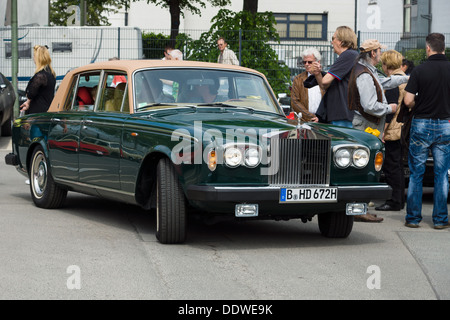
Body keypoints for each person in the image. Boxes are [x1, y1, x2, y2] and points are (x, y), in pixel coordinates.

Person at [403, 33, 450, 229]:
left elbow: (407, 101)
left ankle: (413, 218)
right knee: (442, 173)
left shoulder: (419, 70)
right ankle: (440, 220)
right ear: (444, 49)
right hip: (445, 124)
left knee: (416, 173)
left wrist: (417, 103)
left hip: (421, 123)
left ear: (427, 48)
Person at [375, 50, 408, 212]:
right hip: (402, 129)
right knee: (398, 167)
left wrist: (383, 131)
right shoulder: (405, 77)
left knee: (391, 167)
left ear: (386, 64)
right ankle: (399, 200)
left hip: (393, 129)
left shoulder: (393, 81)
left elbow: (391, 109)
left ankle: (394, 201)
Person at [311, 26, 359, 128]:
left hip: (343, 114)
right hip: (339, 113)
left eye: (333, 39)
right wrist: (317, 73)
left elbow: (325, 81)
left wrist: (320, 74)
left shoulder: (348, 55)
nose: (332, 42)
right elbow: (324, 86)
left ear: (341, 41)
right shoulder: (350, 56)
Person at [290, 48, 324, 122]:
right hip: (304, 120)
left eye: (310, 62)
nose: (307, 64)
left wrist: (320, 117)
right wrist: (311, 117)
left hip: (322, 121)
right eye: (304, 62)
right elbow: (295, 101)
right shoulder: (298, 79)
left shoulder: (325, 78)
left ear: (318, 62)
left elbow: (329, 100)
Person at [19, 45, 56, 115]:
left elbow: (30, 94)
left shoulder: (41, 76)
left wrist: (28, 96)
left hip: (38, 112)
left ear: (38, 58)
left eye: (34, 56)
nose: (33, 58)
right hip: (47, 109)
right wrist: (28, 102)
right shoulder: (51, 73)